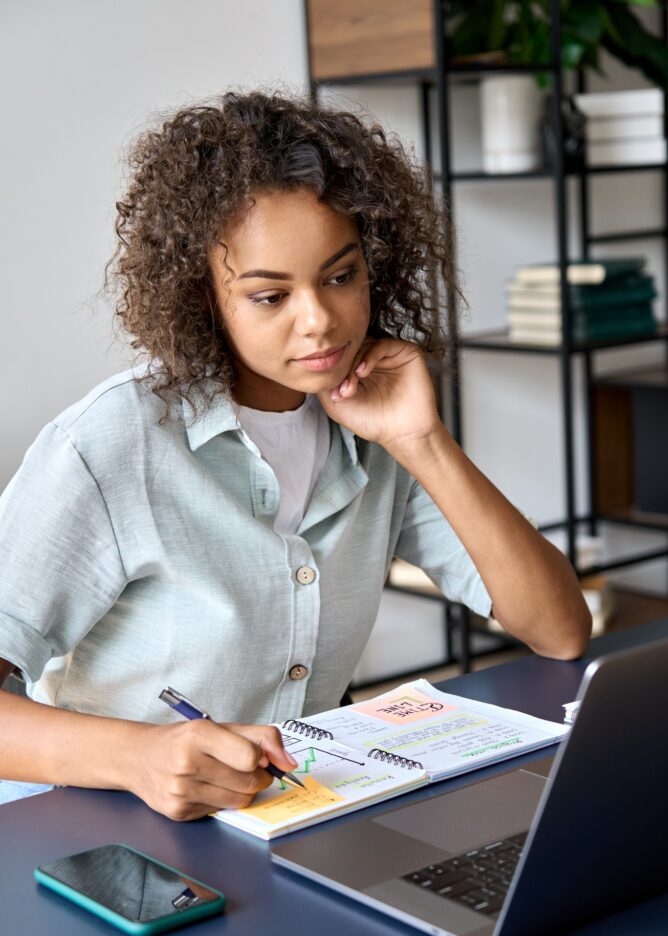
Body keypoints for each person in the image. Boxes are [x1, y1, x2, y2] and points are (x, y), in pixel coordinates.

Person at [0, 91, 591, 818]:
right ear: (205, 301)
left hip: (287, 822)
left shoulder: (374, 423)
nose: (319, 321)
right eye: (269, 297)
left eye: (340, 276)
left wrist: (424, 444)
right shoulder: (112, 443)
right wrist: (138, 757)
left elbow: (559, 629)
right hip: (90, 837)